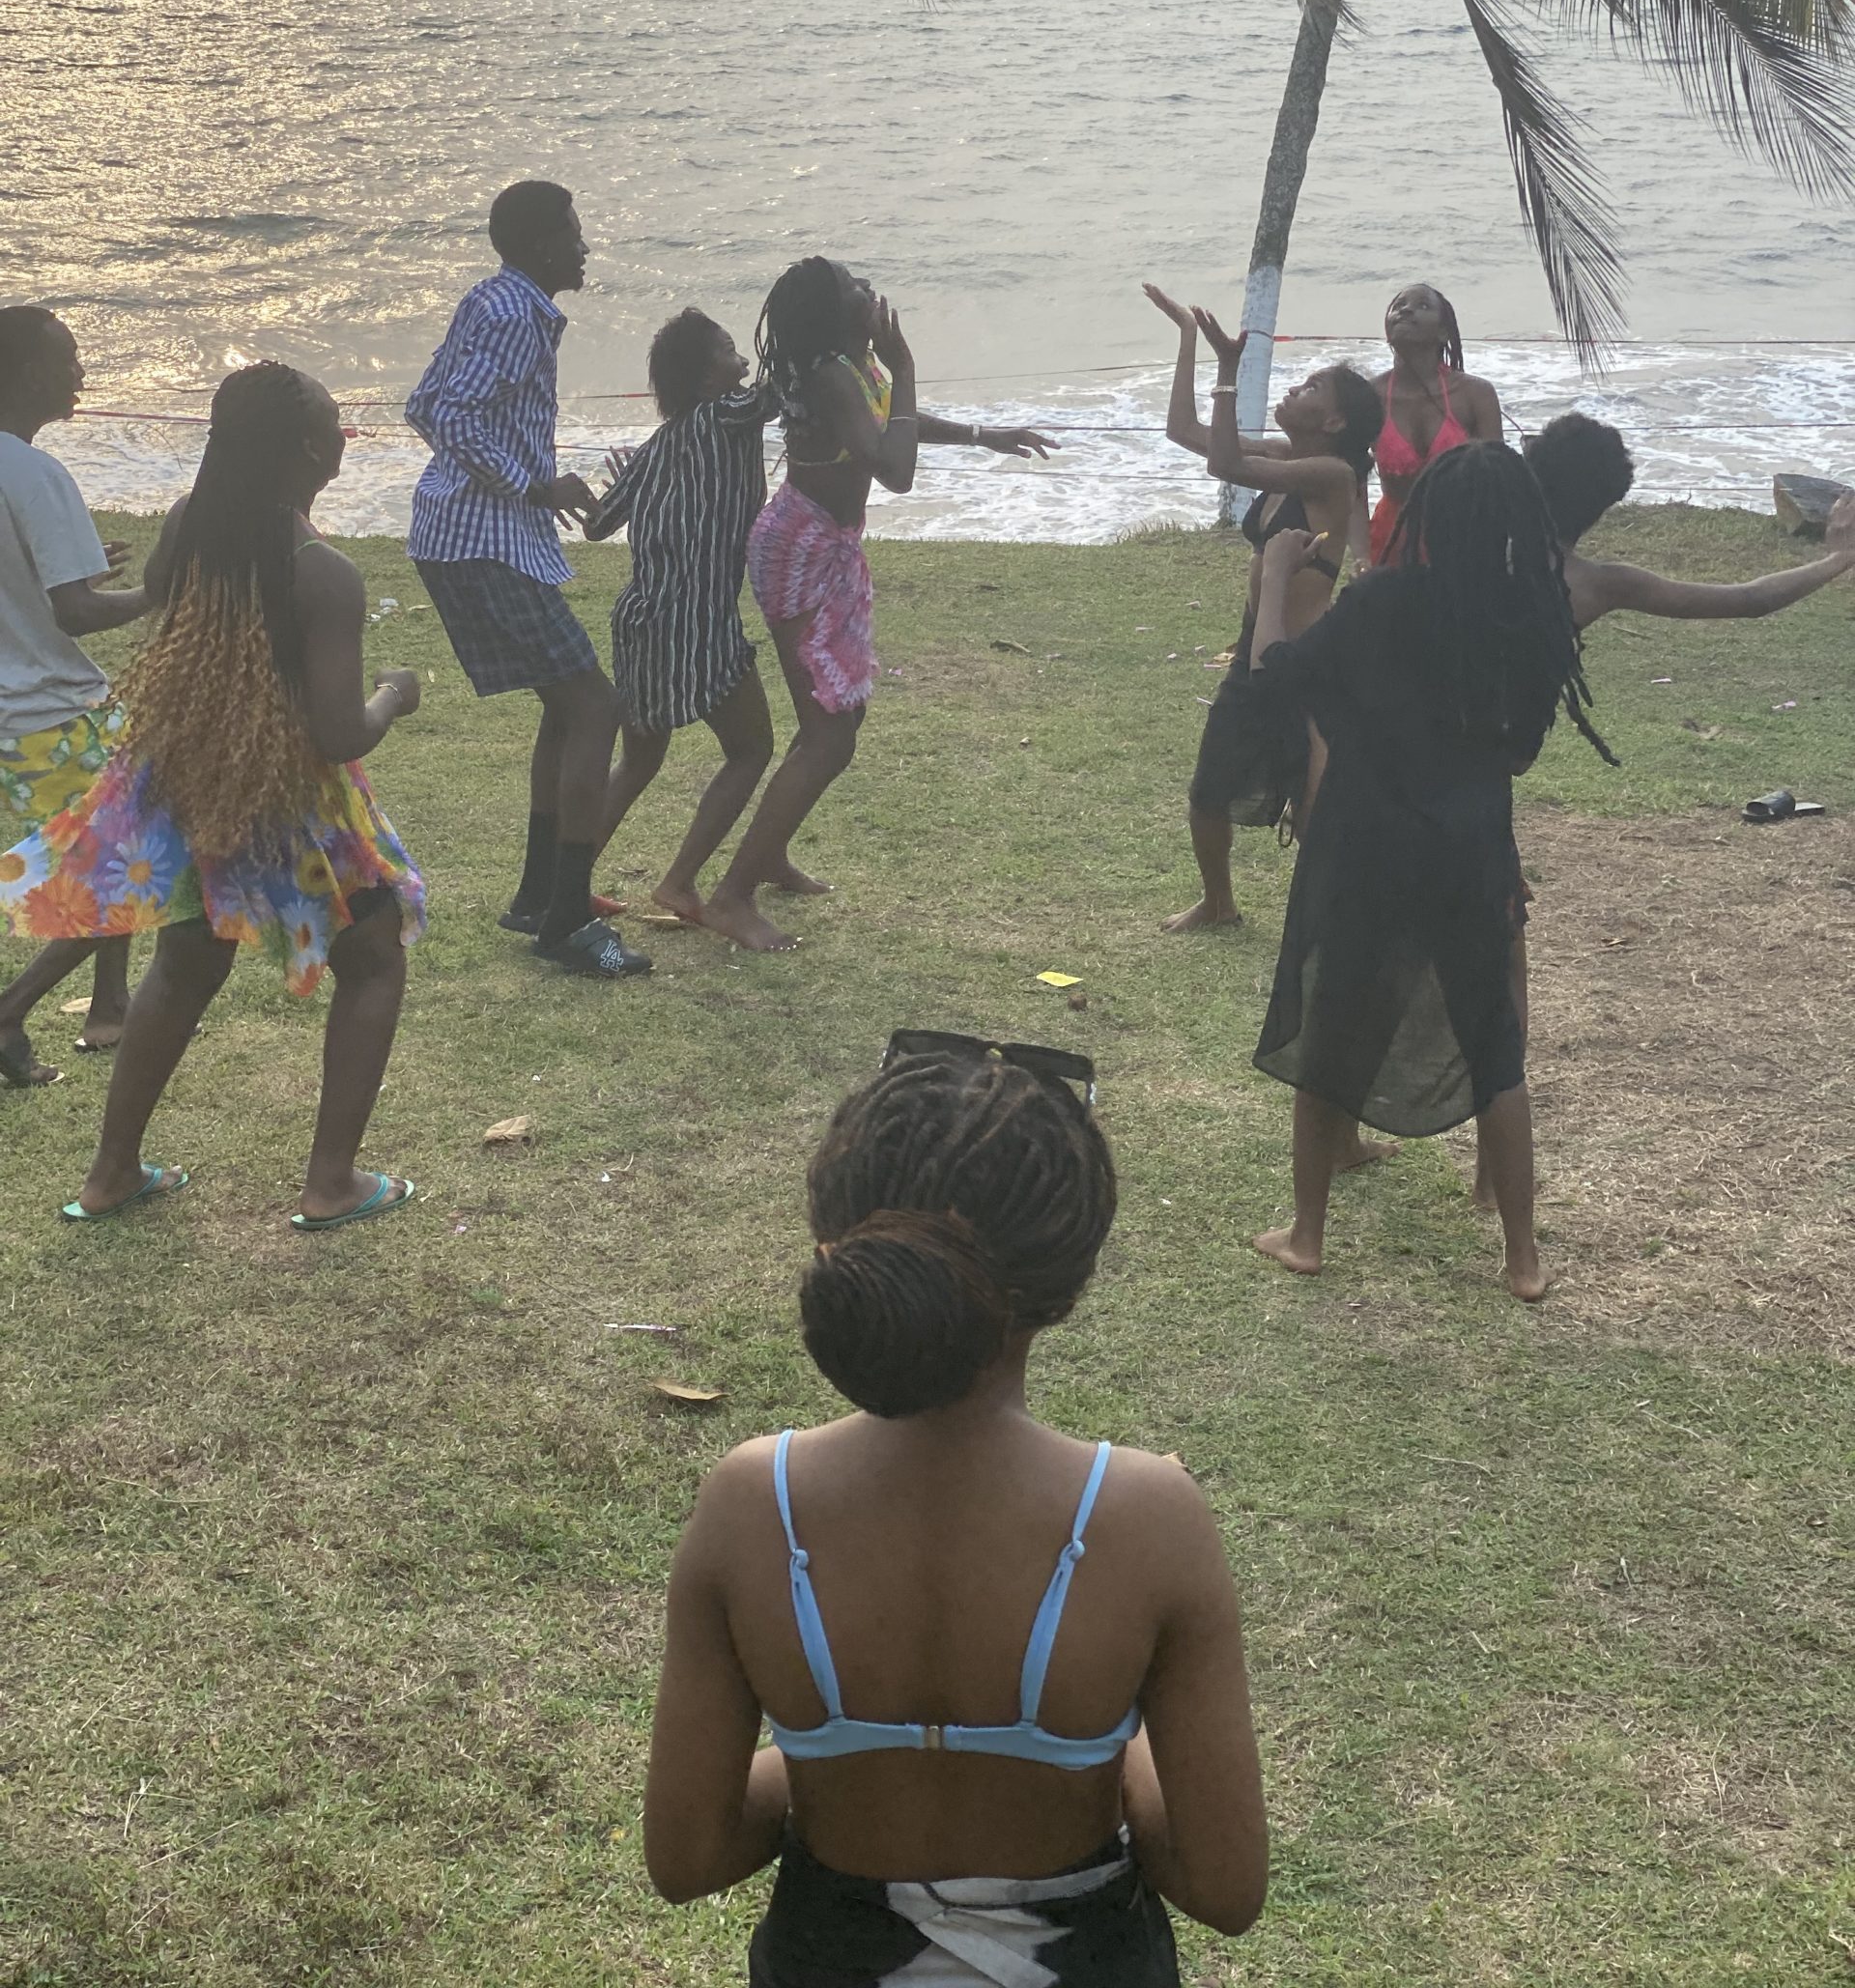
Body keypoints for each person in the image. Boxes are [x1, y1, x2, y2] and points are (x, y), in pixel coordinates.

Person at [643, 1033, 1269, 1981]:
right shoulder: (1149, 1518)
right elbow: (1225, 1885)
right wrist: (1091, 1755)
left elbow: (687, 1856)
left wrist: (843, 1768)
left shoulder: (752, 1501)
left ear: (840, 1238)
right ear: (1071, 1276)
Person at [0, 362, 426, 1228]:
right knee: (374, 952)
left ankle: (111, 1173)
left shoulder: (194, 523)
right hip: (289, 797)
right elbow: (340, 734)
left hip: (191, 780)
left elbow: (162, 597)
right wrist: (395, 693)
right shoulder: (323, 573)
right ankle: (330, 1183)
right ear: (312, 450)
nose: (347, 434)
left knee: (189, 956)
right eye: (338, 423)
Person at [1246, 442, 1614, 1303]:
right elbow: (1517, 754)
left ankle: (1307, 1234)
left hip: (1367, 843)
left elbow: (1282, 671)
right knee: (1494, 1045)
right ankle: (1522, 1259)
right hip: (1471, 844)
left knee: (1333, 1025)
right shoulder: (1530, 620)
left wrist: (1276, 577)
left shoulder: (1383, 601)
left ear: (1428, 520)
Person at [701, 259, 1057, 952]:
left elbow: (892, 423)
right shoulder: (837, 372)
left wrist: (986, 436)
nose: (870, 292)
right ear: (837, 313)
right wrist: (906, 363)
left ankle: (766, 859)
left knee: (837, 724)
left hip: (822, 544)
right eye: (854, 288)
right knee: (828, 733)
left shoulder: (841, 367)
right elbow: (893, 470)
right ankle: (730, 895)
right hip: (801, 550)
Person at [406, 180, 646, 981]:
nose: (584, 246)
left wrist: (529, 485)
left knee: (565, 703)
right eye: (575, 232)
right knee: (594, 704)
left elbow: (423, 402)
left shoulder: (495, 300)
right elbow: (452, 417)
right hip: (485, 540)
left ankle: (539, 896)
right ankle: (565, 919)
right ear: (543, 243)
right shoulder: (514, 317)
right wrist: (535, 486)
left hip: (462, 534)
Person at [1149, 286, 1381, 932]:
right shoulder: (1291, 459)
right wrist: (1203, 354)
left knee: (1311, 814)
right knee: (1207, 792)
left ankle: (1346, 919)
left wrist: (1229, 375)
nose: (1294, 390)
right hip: (1256, 649)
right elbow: (1185, 434)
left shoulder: (1333, 479)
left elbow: (1222, 458)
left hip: (1305, 667)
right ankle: (1219, 904)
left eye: (1310, 387)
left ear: (1333, 423)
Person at [585, 309, 780, 923]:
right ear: (704, 382)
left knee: (639, 758)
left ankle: (564, 884)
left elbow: (595, 525)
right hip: (696, 618)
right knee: (752, 748)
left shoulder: (655, 448)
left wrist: (633, 482)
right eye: (728, 349)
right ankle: (679, 883)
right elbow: (780, 390)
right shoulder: (728, 414)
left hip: (640, 618)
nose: (741, 358)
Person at [0, 307, 151, 1087]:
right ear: (29, 374)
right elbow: (76, 611)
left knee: (111, 854)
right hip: (52, 712)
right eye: (69, 360)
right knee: (129, 861)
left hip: (12, 714)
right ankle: (9, 1012)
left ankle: (111, 1006)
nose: (81, 373)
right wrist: (159, 590)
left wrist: (80, 563)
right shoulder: (33, 471)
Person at [1526, 412, 1855, 631]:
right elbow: (1753, 600)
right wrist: (1838, 558)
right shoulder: (1598, 585)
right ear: (1605, 505)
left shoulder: (1481, 553)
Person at [1368, 285, 1502, 564]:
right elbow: (1353, 480)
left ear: (1443, 332)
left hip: (1462, 537)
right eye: (1398, 305)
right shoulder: (1371, 395)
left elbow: (1498, 482)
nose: (1405, 309)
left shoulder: (1475, 394)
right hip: (1391, 540)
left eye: (1422, 306)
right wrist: (1359, 554)